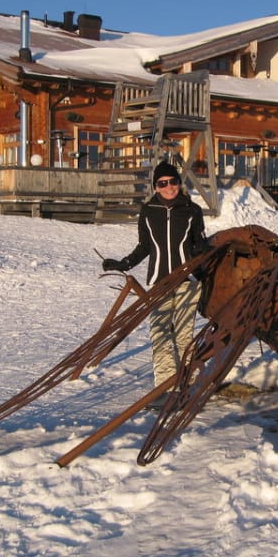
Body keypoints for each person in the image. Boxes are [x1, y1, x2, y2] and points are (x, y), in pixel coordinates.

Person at [102, 161, 208, 390]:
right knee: (160, 334)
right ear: (156, 187)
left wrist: (202, 269)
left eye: (173, 181)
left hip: (187, 282)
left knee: (183, 336)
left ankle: (187, 385)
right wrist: (124, 263)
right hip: (160, 283)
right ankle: (166, 387)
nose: (169, 187)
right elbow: (144, 246)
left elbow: (200, 245)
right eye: (163, 183)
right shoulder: (148, 211)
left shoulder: (192, 210)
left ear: (179, 183)